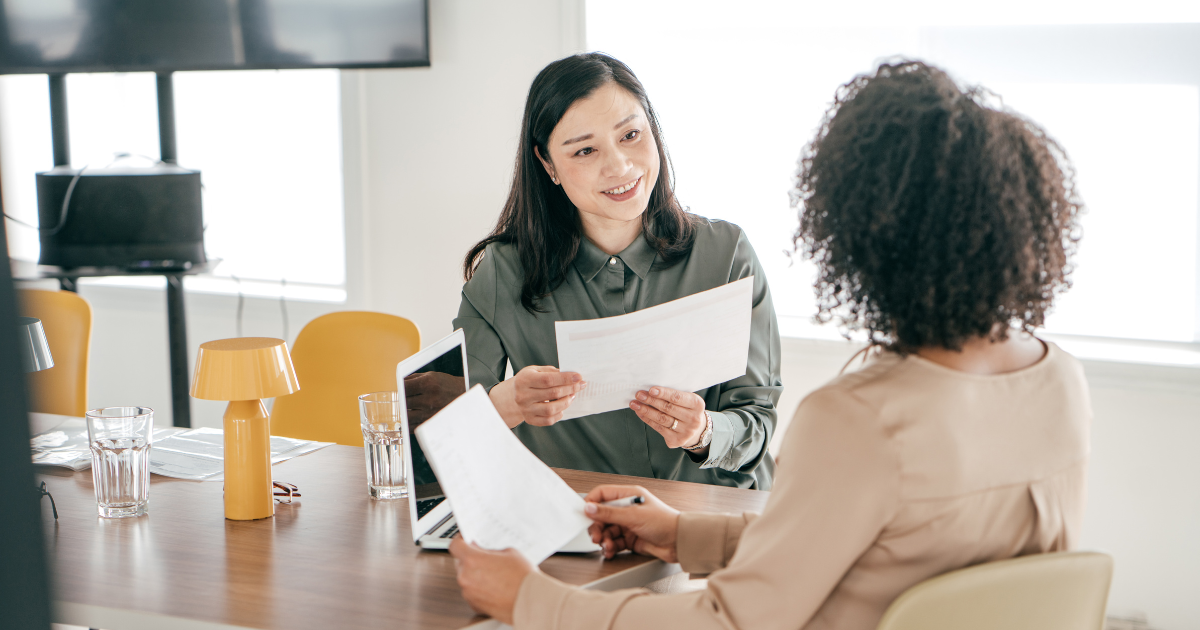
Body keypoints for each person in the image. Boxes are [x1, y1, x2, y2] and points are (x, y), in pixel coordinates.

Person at [447, 60, 1091, 629]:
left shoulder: (856, 419)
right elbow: (875, 544)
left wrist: (529, 601)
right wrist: (684, 533)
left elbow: (731, 619)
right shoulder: (1061, 381)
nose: (617, 163)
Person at [452, 53, 782, 489]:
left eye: (631, 135)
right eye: (585, 150)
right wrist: (507, 403)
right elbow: (450, 432)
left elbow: (757, 420)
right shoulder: (502, 271)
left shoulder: (726, 254)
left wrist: (702, 432)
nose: (620, 167)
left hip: (709, 522)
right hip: (580, 528)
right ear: (547, 164)